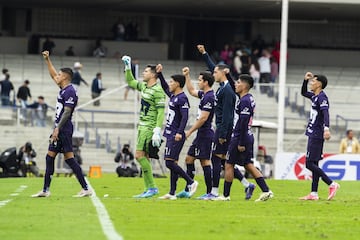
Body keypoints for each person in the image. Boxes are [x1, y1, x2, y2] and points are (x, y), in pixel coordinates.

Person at [197, 44, 255, 200]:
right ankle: (246, 184)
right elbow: (215, 68)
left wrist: (222, 133)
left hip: (224, 129)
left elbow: (228, 114)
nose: (212, 74)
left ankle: (214, 192)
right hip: (224, 128)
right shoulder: (224, 85)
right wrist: (204, 54)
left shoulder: (228, 90)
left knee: (216, 158)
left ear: (222, 73)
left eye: (215, 72)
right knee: (224, 161)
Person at [32, 51, 92, 198]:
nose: (56, 77)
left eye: (59, 75)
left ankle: (85, 188)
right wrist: (48, 60)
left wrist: (57, 128)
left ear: (65, 77)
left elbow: (67, 112)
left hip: (64, 129)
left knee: (69, 159)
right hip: (59, 128)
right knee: (49, 157)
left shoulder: (70, 91)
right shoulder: (63, 88)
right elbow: (53, 75)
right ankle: (46, 190)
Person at [213, 74, 273, 201]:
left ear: (244, 86)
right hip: (246, 135)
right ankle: (266, 190)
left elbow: (244, 122)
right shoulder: (246, 97)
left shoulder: (245, 101)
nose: (235, 84)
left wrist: (240, 142)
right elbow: (232, 83)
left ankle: (225, 196)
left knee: (229, 164)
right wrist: (228, 75)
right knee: (248, 164)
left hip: (241, 136)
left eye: (238, 82)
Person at [121, 55, 166, 198]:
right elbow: (131, 81)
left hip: (149, 127)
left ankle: (152, 187)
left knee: (139, 156)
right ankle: (148, 189)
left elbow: (160, 112)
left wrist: (157, 130)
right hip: (142, 126)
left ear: (153, 75)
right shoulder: (144, 86)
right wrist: (127, 67)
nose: (143, 73)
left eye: (146, 72)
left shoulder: (158, 90)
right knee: (145, 157)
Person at [157, 64, 198, 200]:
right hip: (170, 133)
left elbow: (185, 116)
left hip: (176, 134)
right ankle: (172, 192)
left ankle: (191, 182)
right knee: (172, 162)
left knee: (169, 162)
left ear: (178, 84)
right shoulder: (174, 96)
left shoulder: (182, 98)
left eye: (172, 82)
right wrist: (160, 74)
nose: (169, 84)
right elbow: (164, 87)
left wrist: (180, 132)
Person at [299, 72, 340, 201]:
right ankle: (314, 193)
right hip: (313, 132)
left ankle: (332, 183)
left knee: (309, 163)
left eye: (313, 81)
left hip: (317, 133)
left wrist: (326, 129)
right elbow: (303, 93)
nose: (311, 83)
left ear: (319, 84)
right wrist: (305, 81)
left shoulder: (322, 97)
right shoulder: (315, 97)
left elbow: (326, 113)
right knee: (314, 162)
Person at [175, 67, 215, 199]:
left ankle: (210, 193)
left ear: (206, 82)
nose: (198, 82)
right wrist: (187, 75)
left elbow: (203, 118)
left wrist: (189, 131)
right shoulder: (205, 95)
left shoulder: (209, 97)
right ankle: (188, 189)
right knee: (189, 159)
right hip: (201, 134)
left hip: (205, 134)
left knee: (205, 162)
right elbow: (191, 91)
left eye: (199, 80)